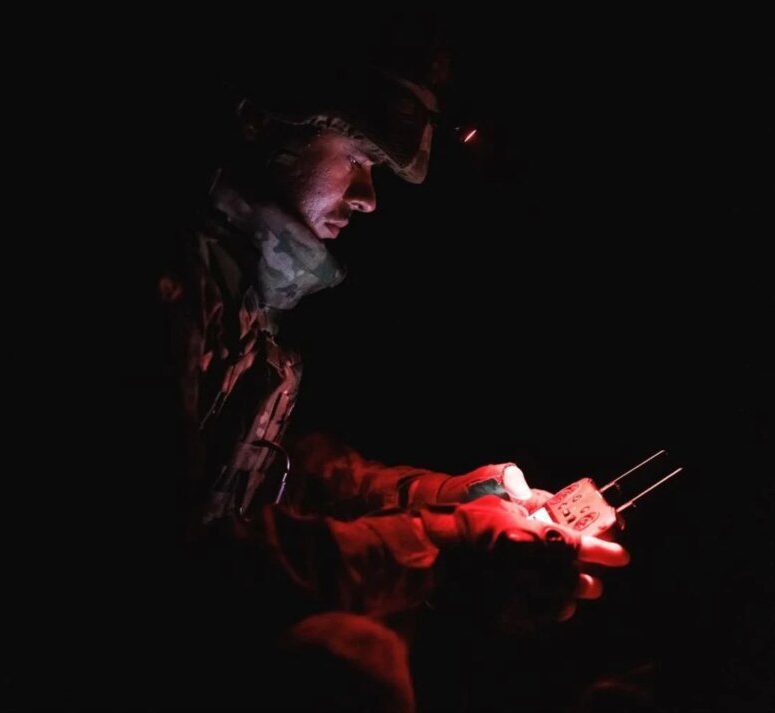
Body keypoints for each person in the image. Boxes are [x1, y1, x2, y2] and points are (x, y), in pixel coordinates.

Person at [126, 60, 631, 711]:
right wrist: (440, 541)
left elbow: (281, 479)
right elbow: (176, 574)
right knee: (355, 658)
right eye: (357, 157)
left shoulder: (240, 296)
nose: (369, 196)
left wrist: (444, 496)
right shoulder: (164, 290)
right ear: (263, 125)